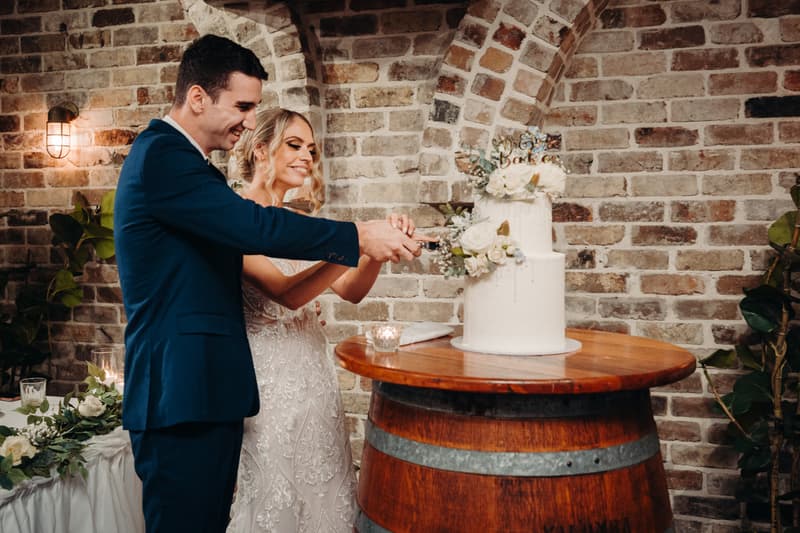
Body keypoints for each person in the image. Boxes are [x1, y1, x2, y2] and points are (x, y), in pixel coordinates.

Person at [114, 34, 431, 533]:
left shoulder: (189, 165)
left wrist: (363, 247)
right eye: (242, 106)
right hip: (181, 390)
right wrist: (358, 235)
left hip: (206, 389)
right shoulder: (163, 157)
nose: (248, 121)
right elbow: (254, 228)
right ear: (197, 97)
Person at [226, 108, 409, 532]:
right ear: (260, 149)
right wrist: (355, 243)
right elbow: (287, 293)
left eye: (311, 149)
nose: (307, 157)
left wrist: (375, 251)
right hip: (268, 381)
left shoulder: (299, 223)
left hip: (314, 375)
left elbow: (351, 290)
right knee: (275, 490)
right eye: (294, 145)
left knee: (324, 488)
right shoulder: (235, 219)